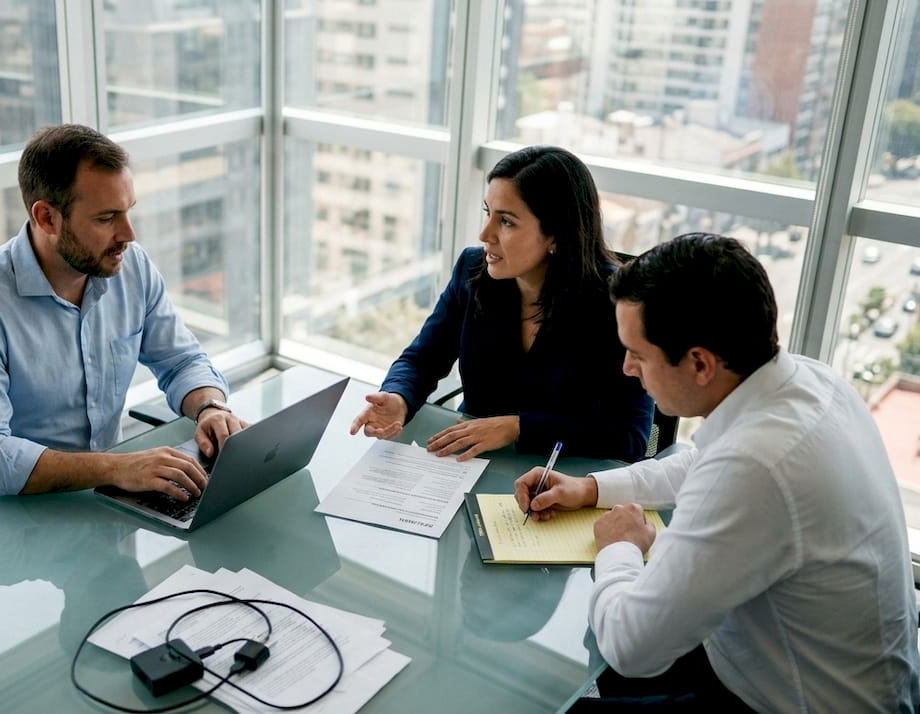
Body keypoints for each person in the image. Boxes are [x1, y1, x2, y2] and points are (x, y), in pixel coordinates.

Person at [515, 233, 920, 711]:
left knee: (541, 699)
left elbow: (630, 648)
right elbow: (701, 462)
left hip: (789, 700)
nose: (627, 369)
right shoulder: (811, 381)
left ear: (700, 363)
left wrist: (619, 547)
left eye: (638, 354)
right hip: (810, 665)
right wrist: (590, 488)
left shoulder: (756, 468)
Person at [0, 124, 246, 498]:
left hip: (106, 492)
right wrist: (117, 468)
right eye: (106, 218)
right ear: (47, 218)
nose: (128, 234)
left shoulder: (130, 267)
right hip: (15, 514)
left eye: (128, 211)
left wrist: (210, 407)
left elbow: (181, 360)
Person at [350, 145, 652, 462]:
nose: (485, 234)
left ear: (555, 236)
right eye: (487, 213)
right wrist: (399, 397)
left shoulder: (616, 303)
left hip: (563, 479)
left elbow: (629, 438)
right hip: (470, 464)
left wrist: (518, 428)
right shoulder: (472, 271)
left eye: (506, 221)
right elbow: (421, 359)